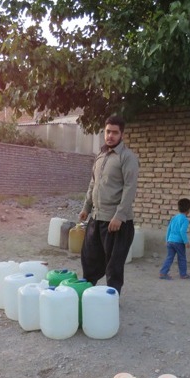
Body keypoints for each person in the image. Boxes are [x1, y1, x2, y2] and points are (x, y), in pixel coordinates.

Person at [78, 115, 139, 294]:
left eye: (114, 132)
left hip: (116, 222)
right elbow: (93, 183)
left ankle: (111, 299)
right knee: (89, 257)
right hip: (96, 217)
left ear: (122, 134)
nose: (110, 136)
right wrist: (86, 208)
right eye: (107, 132)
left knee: (113, 264)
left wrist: (119, 216)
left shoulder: (127, 158)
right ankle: (88, 293)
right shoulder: (101, 156)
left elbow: (130, 188)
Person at [159, 198, 190, 280]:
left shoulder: (174, 217)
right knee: (182, 258)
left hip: (170, 241)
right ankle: (183, 274)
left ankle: (163, 273)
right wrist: (186, 242)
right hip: (179, 242)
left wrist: (167, 240)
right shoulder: (185, 220)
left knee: (169, 257)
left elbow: (168, 229)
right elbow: (182, 231)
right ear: (189, 209)